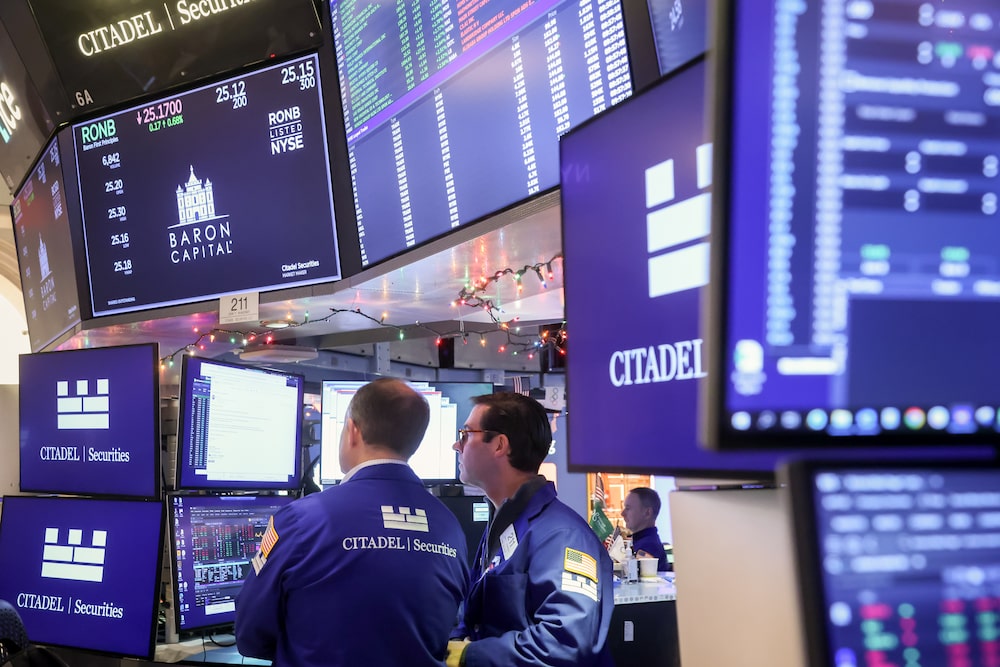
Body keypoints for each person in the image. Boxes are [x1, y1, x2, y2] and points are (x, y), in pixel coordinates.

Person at [235, 378, 469, 666]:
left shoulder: (300, 519)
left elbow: (250, 636)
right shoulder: (450, 527)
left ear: (352, 430)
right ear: (416, 441)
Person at [447, 392, 614, 667]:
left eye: (465, 434)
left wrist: (469, 656)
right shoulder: (506, 527)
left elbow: (566, 641)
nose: (457, 445)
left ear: (499, 444)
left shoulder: (563, 536)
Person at [621, 487, 670, 572]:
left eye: (628, 508)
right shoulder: (641, 542)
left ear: (647, 513)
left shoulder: (648, 547)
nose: (622, 513)